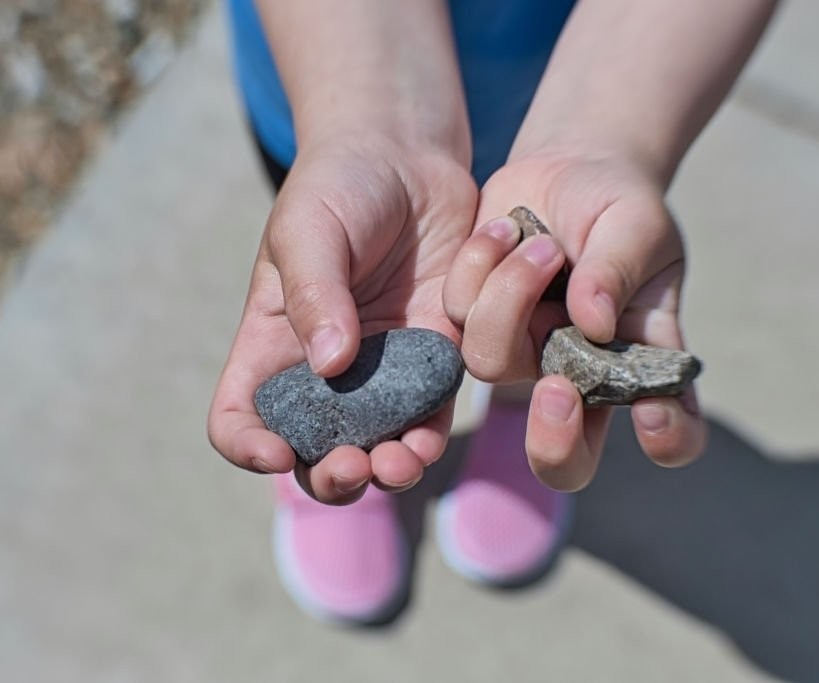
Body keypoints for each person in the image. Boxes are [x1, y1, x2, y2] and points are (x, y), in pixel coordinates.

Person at [210, 0, 777, 624]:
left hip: (584, 80)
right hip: (330, 73)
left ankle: (522, 411)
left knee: (538, 306)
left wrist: (604, 139)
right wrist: (376, 124)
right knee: (348, 265)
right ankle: (329, 460)